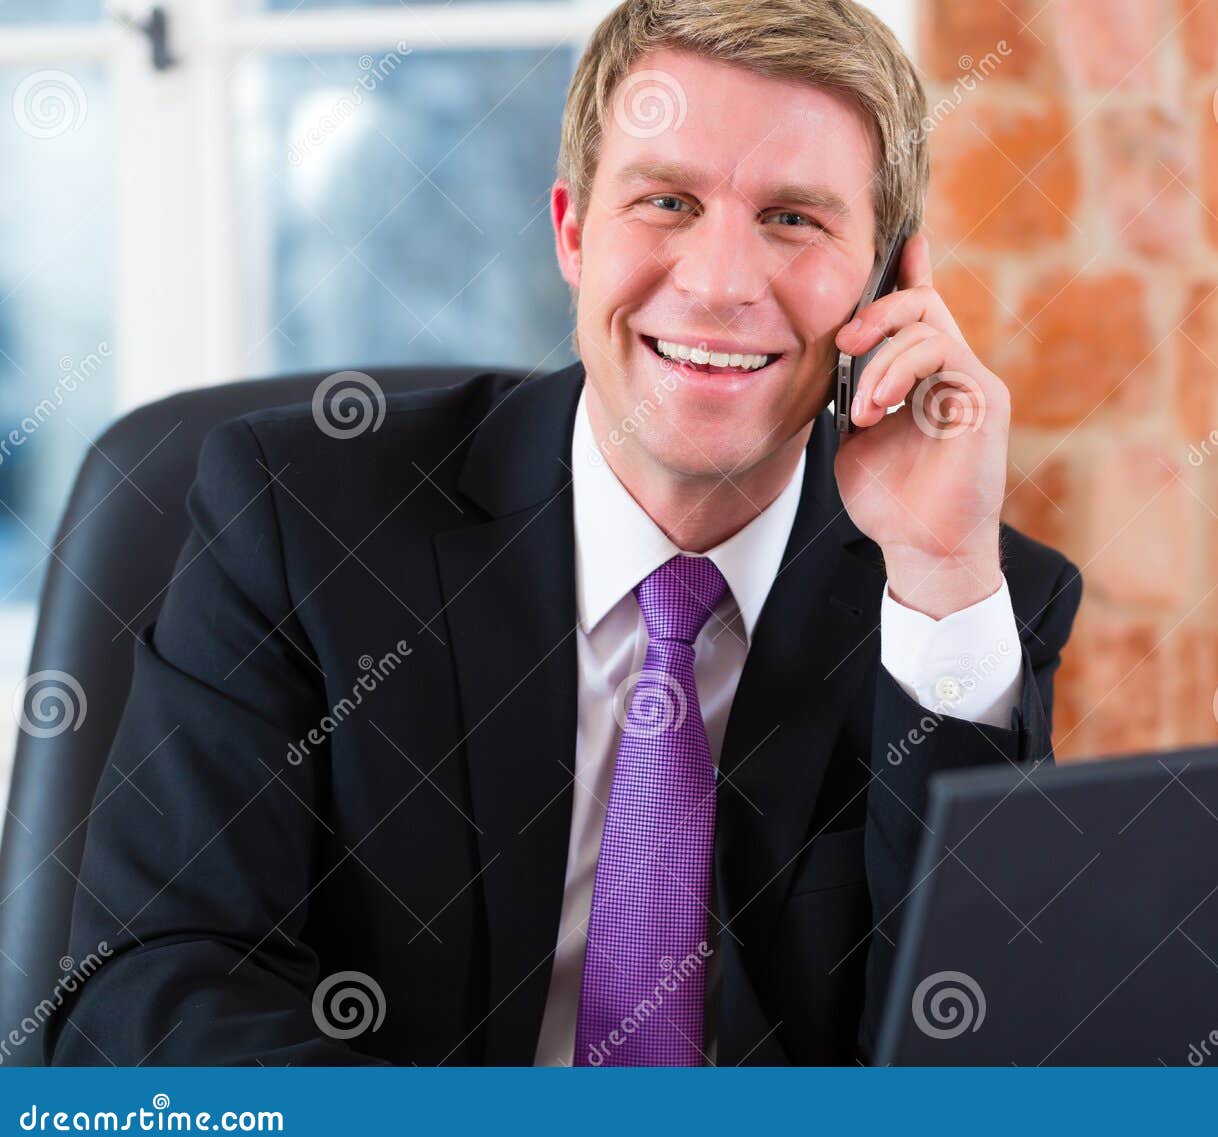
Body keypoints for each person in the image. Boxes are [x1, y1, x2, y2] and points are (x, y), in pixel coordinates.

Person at [48, 0, 1080, 1067]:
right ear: (573, 232)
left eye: (793, 219)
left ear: (884, 285)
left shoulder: (952, 599)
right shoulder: (301, 520)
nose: (722, 283)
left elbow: (993, 1056)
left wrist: (943, 574)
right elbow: (150, 994)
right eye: (668, 199)